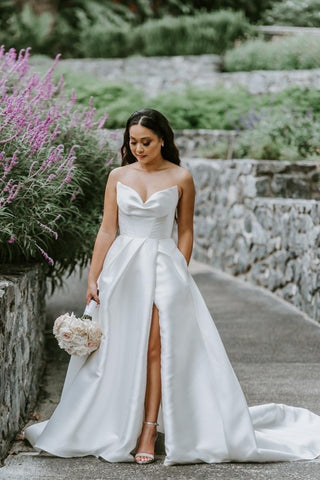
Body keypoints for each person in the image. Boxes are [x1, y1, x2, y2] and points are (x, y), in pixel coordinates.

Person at [25, 108, 320, 466]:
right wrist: (92, 277)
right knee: (117, 349)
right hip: (121, 271)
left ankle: (149, 429)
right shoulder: (118, 175)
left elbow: (185, 230)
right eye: (132, 142)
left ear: (162, 139)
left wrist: (179, 270)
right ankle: (119, 423)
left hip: (164, 267)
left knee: (155, 348)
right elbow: (107, 229)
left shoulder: (181, 177)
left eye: (146, 142)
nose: (138, 148)